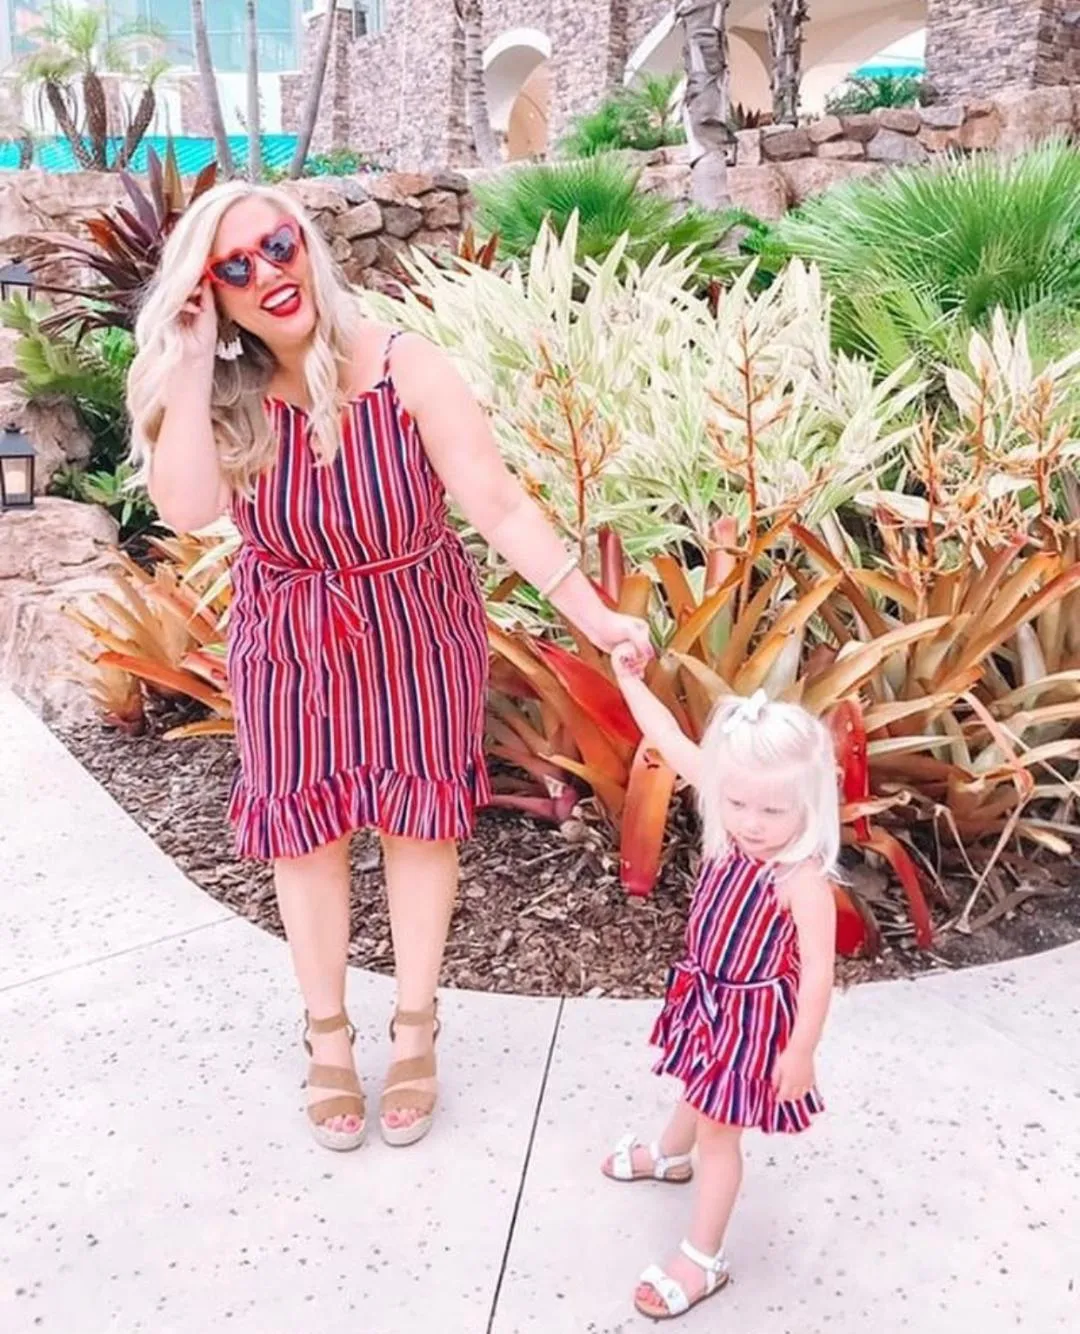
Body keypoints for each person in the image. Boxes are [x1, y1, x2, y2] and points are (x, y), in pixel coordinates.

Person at [125, 182, 651, 1153]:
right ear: (215, 296)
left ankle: (416, 1026)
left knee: (416, 824)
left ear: (307, 247)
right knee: (308, 834)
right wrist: (193, 363)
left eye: (277, 246)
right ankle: (329, 1037)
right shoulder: (229, 398)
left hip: (416, 616)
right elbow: (190, 507)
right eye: (233, 268)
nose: (266, 274)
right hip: (289, 634)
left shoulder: (408, 366)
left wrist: (595, 615)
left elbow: (497, 506)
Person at [601, 659, 838, 1321]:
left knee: (721, 1135)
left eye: (773, 810)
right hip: (706, 993)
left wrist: (803, 1050)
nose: (752, 821)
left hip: (752, 1017)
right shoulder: (730, 815)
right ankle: (668, 1156)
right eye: (737, 804)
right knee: (698, 1085)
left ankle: (702, 1258)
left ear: (809, 805)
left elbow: (819, 971)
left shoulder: (800, 882)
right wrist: (628, 681)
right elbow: (670, 741)